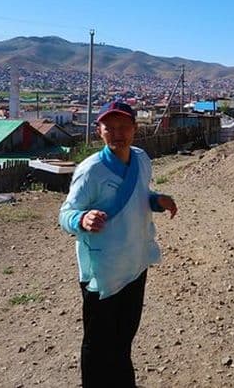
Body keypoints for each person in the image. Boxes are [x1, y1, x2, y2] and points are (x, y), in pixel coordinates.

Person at [59, 101, 177, 388]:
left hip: (135, 263)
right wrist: (82, 218)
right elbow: (65, 214)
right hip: (104, 270)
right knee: (98, 345)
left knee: (124, 338)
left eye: (123, 127)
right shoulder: (92, 170)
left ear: (135, 129)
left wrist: (156, 201)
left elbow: (139, 195)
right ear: (99, 132)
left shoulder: (140, 159)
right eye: (109, 128)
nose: (116, 133)